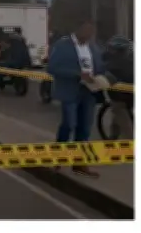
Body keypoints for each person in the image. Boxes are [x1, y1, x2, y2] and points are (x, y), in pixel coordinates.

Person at [47, 18, 104, 178]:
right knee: (69, 124)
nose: (89, 34)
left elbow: (100, 66)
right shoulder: (62, 45)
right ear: (78, 29)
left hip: (89, 93)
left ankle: (79, 163)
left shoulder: (93, 47)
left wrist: (101, 77)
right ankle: (57, 157)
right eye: (87, 30)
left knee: (85, 128)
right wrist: (78, 75)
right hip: (70, 91)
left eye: (92, 31)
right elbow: (52, 68)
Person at [102, 36, 134, 139]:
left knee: (120, 113)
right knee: (119, 114)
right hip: (128, 94)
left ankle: (125, 142)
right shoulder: (130, 60)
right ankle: (115, 138)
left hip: (119, 95)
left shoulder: (109, 61)